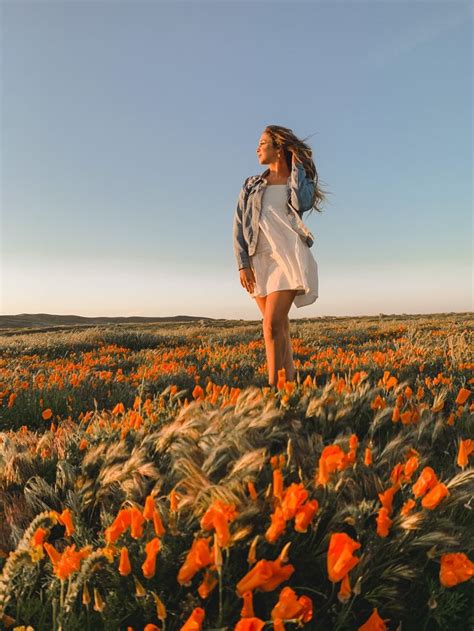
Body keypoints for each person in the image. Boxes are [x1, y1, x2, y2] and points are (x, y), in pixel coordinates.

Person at [233, 124, 327, 388]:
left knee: (271, 325)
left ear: (278, 148)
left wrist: (296, 167)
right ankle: (291, 386)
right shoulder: (251, 185)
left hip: (287, 256)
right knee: (279, 327)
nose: (257, 147)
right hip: (259, 259)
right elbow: (239, 226)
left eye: (263, 143)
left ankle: (273, 390)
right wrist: (243, 265)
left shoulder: (296, 182)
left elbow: (302, 203)